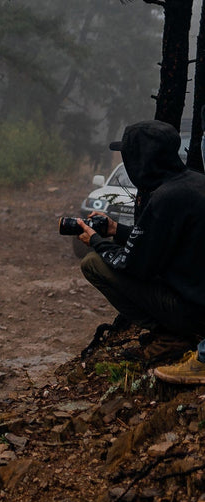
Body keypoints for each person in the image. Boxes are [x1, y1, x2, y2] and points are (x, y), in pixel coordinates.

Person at [76, 120, 205, 359]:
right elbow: (161, 245)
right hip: (197, 298)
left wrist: (96, 240)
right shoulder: (195, 183)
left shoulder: (166, 197)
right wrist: (116, 230)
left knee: (92, 264)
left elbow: (135, 266)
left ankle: (171, 337)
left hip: (194, 313)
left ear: (140, 159)